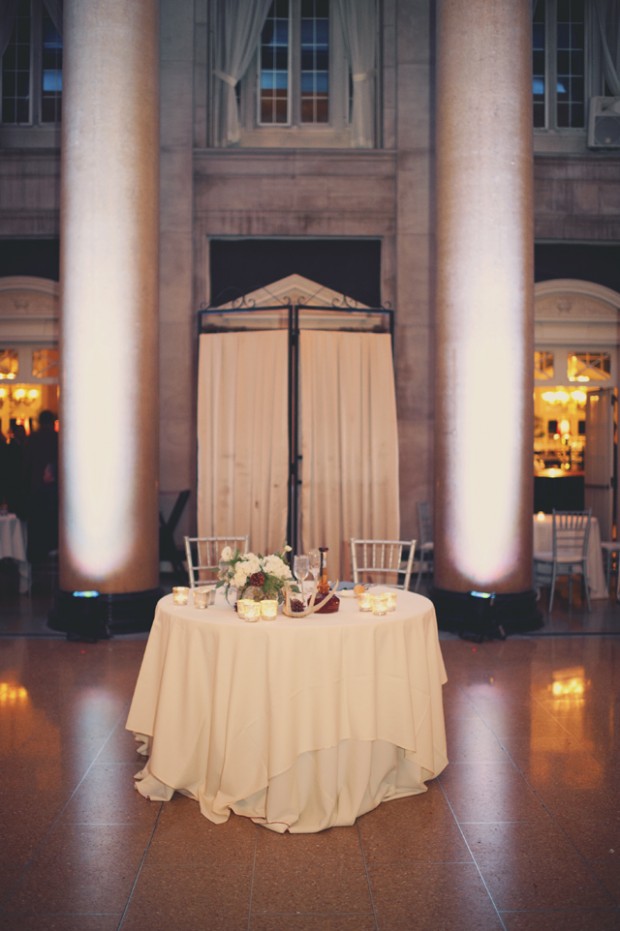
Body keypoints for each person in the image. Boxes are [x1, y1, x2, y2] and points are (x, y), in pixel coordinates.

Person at [25, 410, 59, 564]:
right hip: (54, 490)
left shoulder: (32, 439)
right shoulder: (57, 439)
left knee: (38, 529)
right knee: (51, 525)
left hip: (35, 489)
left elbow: (26, 465)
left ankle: (37, 562)